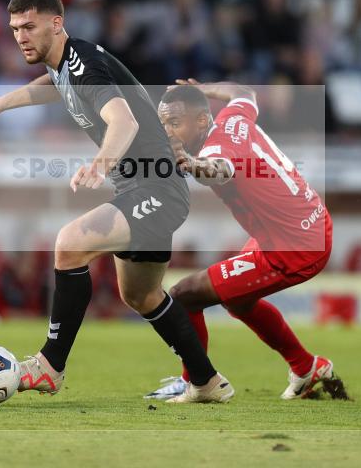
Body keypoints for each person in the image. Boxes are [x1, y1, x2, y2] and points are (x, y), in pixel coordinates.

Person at [0, 0, 232, 403]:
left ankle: (50, 366)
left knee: (69, 244)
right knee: (141, 295)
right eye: (14, 29)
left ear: (56, 23)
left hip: (155, 188)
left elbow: (124, 122)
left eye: (29, 26)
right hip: (148, 189)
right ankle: (207, 382)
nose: (21, 37)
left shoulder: (82, 62)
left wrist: (100, 164)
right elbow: (50, 86)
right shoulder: (64, 64)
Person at [148, 79, 348, 401]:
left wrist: (190, 163)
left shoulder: (217, 148)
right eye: (163, 123)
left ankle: (198, 383)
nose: (167, 130)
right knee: (237, 300)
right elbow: (244, 92)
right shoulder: (234, 118)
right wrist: (207, 88)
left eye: (173, 122)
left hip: (293, 248)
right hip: (303, 226)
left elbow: (219, 169)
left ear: (201, 120)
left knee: (184, 296)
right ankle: (306, 367)